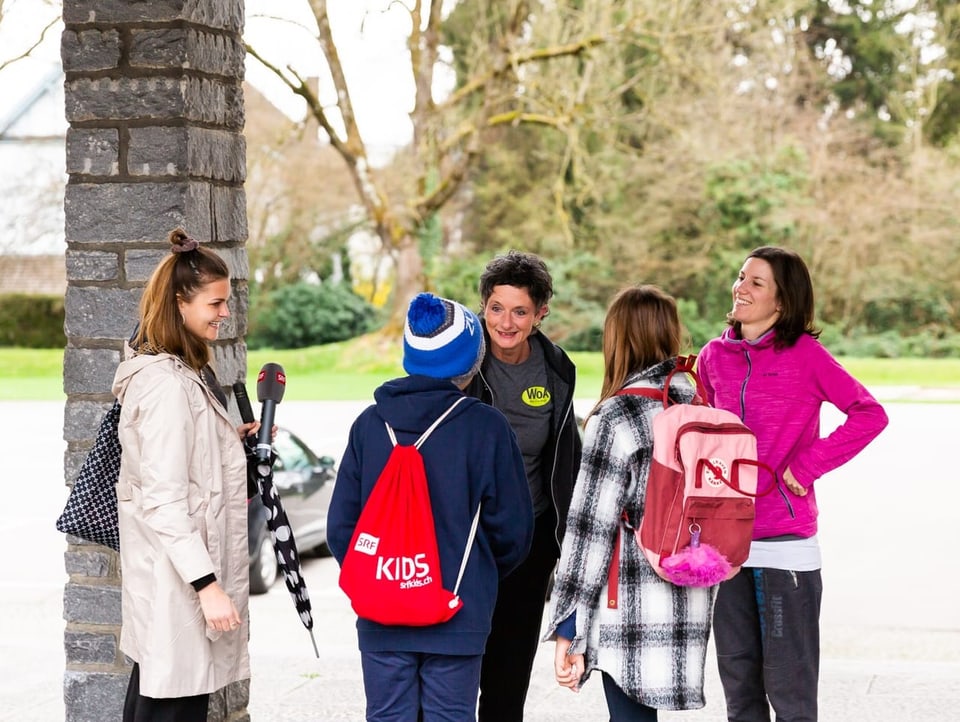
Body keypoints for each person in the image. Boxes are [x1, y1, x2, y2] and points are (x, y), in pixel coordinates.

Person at [696, 246, 889, 722]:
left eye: (756, 282)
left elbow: (870, 414)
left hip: (784, 542)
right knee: (739, 689)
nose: (740, 287)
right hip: (725, 545)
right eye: (741, 277)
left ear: (782, 301)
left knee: (791, 692)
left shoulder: (806, 356)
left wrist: (805, 467)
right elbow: (698, 434)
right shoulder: (713, 356)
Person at [327, 292, 535, 722]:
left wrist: (381, 578)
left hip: (381, 613)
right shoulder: (486, 427)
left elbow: (341, 528)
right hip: (458, 611)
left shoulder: (370, 424)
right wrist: (477, 573)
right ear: (468, 360)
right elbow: (514, 531)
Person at [544, 285, 717, 721]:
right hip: (691, 593)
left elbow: (589, 530)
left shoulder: (618, 415)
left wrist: (568, 624)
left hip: (631, 603)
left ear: (617, 339)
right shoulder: (702, 406)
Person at [112, 229, 259, 722]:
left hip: (176, 583)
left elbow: (183, 465)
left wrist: (227, 442)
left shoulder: (179, 373)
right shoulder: (167, 386)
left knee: (157, 698)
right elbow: (164, 501)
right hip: (179, 585)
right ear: (180, 303)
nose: (225, 313)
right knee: (169, 703)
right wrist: (208, 586)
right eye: (216, 303)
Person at [465, 250, 582, 722]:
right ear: (483, 306)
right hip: (466, 543)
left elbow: (565, 457)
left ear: (540, 313)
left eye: (519, 311)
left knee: (508, 679)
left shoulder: (556, 369)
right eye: (496, 307)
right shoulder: (461, 360)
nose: (506, 322)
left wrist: (563, 541)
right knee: (455, 670)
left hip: (529, 545)